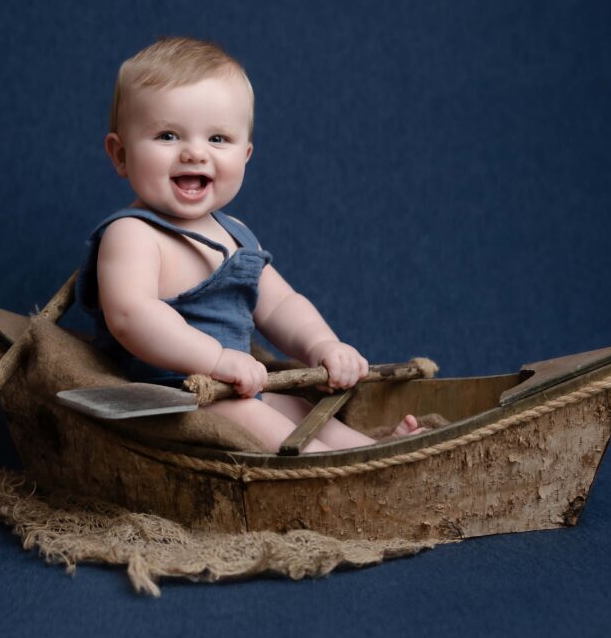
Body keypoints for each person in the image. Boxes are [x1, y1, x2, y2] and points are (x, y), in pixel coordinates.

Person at [78, 37, 422, 452]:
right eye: (168, 135)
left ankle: (370, 452)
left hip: (237, 386)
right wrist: (215, 360)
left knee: (295, 408)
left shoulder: (236, 233)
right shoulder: (133, 234)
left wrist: (323, 344)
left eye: (218, 139)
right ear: (120, 154)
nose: (194, 153)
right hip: (179, 398)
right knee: (260, 420)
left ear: (245, 154)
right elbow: (132, 316)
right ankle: (330, 469)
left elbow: (280, 305)